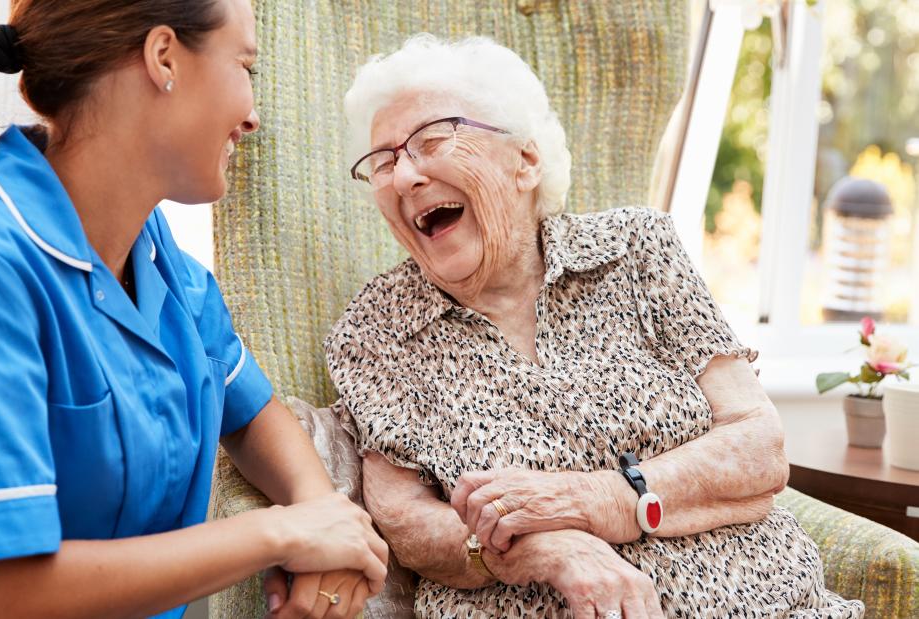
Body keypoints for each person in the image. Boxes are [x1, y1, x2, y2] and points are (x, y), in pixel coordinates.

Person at [0, 1, 387, 618]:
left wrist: (322, 516)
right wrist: (281, 534)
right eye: (244, 65)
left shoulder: (152, 250)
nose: (253, 116)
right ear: (163, 57)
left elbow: (249, 412)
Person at [325, 34, 864, 618]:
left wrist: (603, 500)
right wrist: (548, 549)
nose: (404, 178)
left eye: (431, 140)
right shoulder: (376, 330)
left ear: (525, 161)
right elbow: (407, 524)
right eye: (383, 162)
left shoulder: (636, 249)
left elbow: (759, 447)